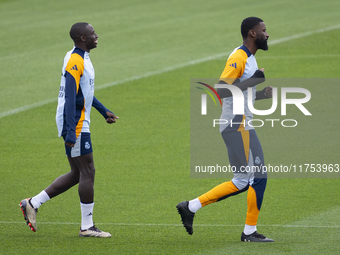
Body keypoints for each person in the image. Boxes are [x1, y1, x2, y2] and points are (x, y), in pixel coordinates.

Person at [177, 17, 274, 242]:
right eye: (264, 30)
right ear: (252, 33)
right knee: (259, 176)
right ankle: (249, 232)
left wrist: (260, 94)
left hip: (238, 124)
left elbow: (240, 94)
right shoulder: (239, 56)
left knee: (242, 180)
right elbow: (221, 90)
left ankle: (190, 207)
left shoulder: (249, 59)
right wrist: (255, 80)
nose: (267, 34)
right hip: (237, 125)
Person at [19, 22, 118, 238]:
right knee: (88, 171)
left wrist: (103, 111)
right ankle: (87, 226)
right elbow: (71, 96)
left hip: (78, 121)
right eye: (93, 34)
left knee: (77, 174)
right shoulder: (75, 60)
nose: (97, 36)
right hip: (76, 122)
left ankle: (32, 203)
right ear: (83, 37)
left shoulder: (80, 57)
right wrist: (71, 130)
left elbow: (85, 92)